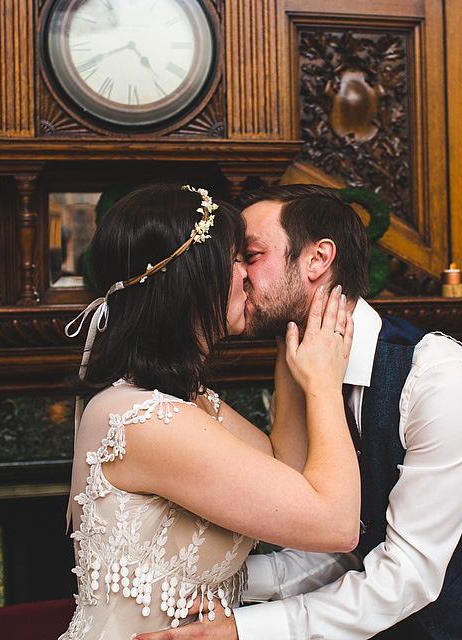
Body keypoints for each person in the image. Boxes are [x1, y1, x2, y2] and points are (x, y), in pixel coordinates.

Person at [136, 184, 462, 640]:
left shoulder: (439, 378)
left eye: (251, 256)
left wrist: (243, 629)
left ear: (317, 259)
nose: (235, 275)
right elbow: (352, 546)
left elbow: (407, 572)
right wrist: (212, 584)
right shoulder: (305, 369)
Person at [59, 183, 361, 639]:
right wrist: (322, 385)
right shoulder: (144, 419)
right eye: (237, 259)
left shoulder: (189, 397)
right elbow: (334, 524)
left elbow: (286, 471)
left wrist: (289, 336)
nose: (247, 275)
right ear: (193, 279)